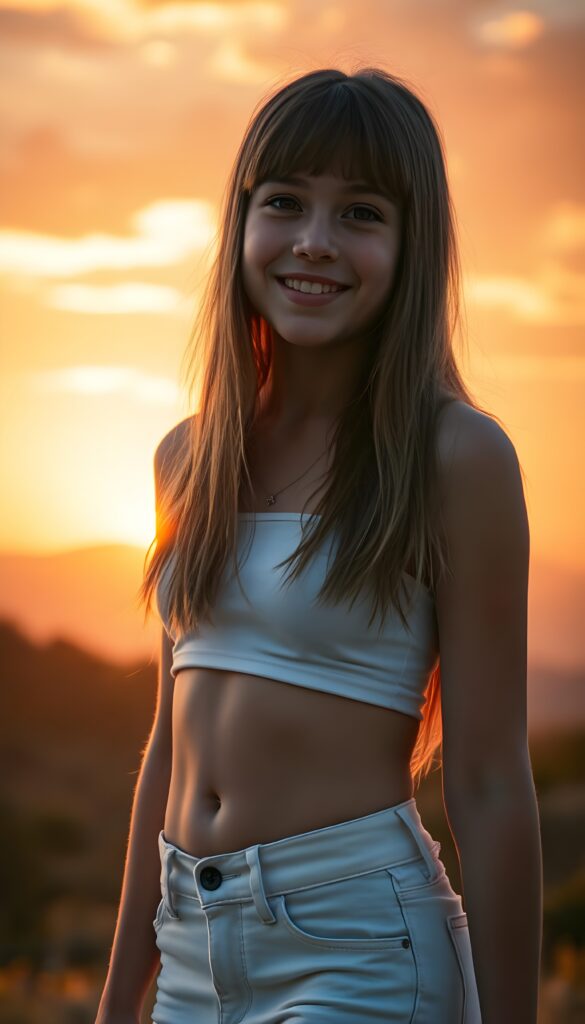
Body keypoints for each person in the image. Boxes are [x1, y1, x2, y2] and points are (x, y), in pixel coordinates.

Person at [96, 67, 542, 1024]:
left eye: (361, 213)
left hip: (358, 949)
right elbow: (168, 751)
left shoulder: (456, 454)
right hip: (189, 955)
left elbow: (490, 777)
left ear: (411, 245)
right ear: (242, 223)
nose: (313, 242)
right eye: (285, 202)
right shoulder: (189, 457)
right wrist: (118, 996)